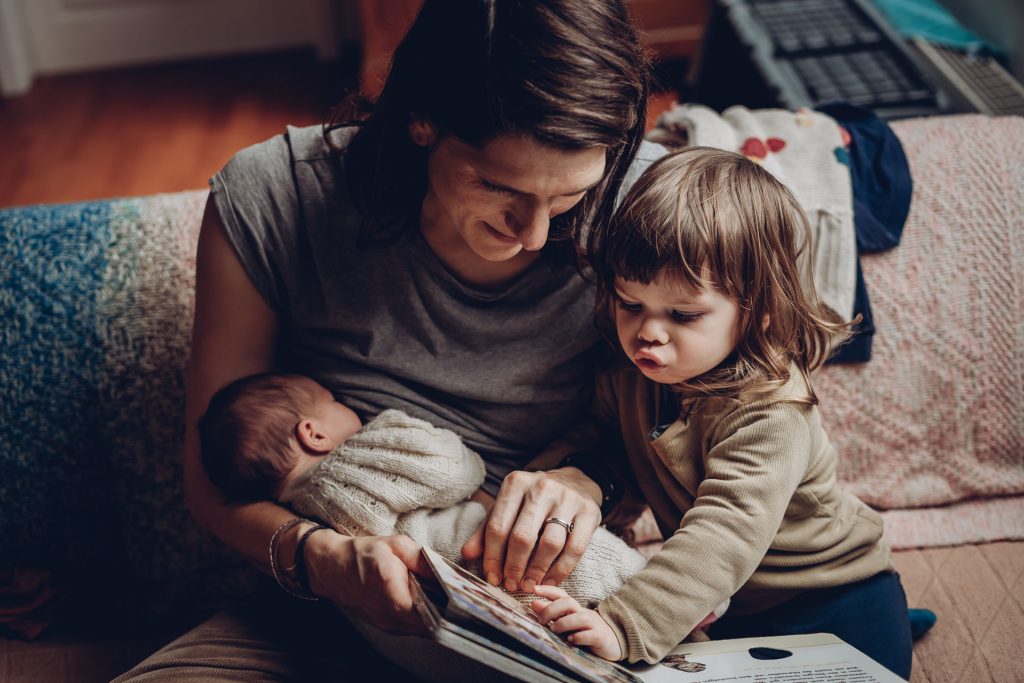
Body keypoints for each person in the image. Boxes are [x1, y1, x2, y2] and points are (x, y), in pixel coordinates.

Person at [115, 1, 663, 679]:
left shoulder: (650, 206)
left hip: (562, 618)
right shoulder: (276, 195)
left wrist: (589, 478)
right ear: (421, 118)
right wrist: (322, 560)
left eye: (569, 197)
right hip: (328, 608)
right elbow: (210, 479)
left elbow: (720, 425)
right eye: (498, 186)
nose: (533, 233)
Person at [525, 147, 913, 678]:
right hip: (725, 602)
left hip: (833, 590)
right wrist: (542, 482)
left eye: (683, 314)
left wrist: (624, 624)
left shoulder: (771, 408)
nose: (648, 332)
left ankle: (898, 621)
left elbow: (725, 531)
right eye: (629, 303)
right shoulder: (630, 372)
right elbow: (602, 444)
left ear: (759, 309)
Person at [196, 372, 649, 609]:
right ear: (313, 433)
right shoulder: (366, 452)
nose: (346, 405)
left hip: (450, 608)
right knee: (604, 574)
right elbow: (454, 471)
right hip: (488, 552)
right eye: (334, 402)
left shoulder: (302, 515)